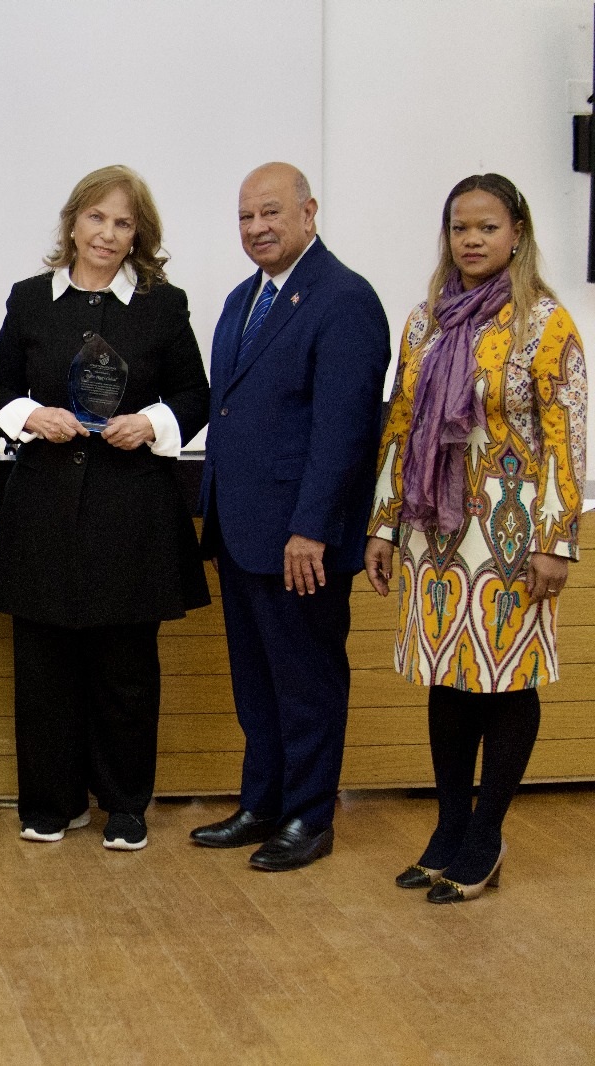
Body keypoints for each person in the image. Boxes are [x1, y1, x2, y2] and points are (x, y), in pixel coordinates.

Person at [0, 165, 211, 852]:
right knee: (43, 669)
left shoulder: (163, 305)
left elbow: (194, 396)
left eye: (123, 223)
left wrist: (152, 423)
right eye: (96, 218)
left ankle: (125, 804)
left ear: (138, 235)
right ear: (73, 223)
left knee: (125, 670)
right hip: (43, 510)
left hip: (131, 513)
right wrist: (31, 416)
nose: (107, 234)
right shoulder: (30, 299)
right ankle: (52, 802)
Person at [365, 174, 586, 903]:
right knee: (449, 679)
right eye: (460, 227)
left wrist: (558, 539)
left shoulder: (546, 325)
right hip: (435, 532)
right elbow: (401, 426)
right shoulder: (424, 323)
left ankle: (485, 836)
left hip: (513, 533)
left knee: (506, 679)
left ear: (517, 233)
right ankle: (449, 828)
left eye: (488, 227)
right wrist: (384, 525)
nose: (472, 240)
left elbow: (567, 438)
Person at [191, 162, 390, 871]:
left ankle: (309, 817)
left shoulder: (345, 299)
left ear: (309, 212)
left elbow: (345, 432)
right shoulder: (243, 298)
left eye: (271, 212)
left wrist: (311, 528)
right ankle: (263, 803)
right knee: (257, 682)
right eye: (246, 217)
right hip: (242, 530)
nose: (257, 228)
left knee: (307, 683)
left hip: (300, 540)